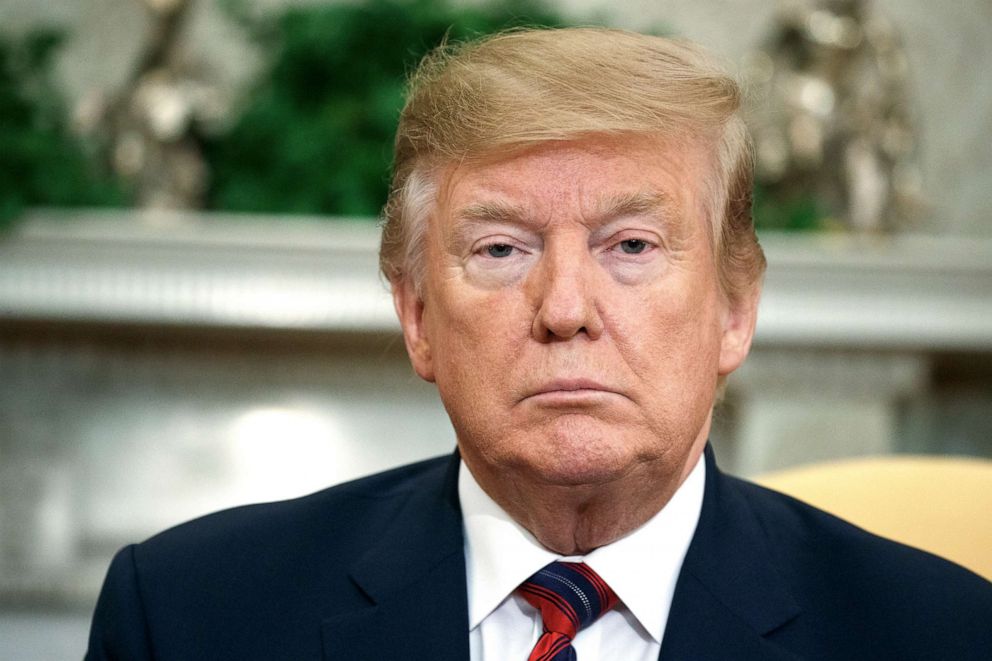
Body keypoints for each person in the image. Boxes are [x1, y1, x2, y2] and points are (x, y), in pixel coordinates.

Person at [86, 27, 991, 660]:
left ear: (734, 310)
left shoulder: (942, 635)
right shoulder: (189, 616)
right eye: (500, 249)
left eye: (631, 245)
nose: (564, 308)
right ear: (416, 315)